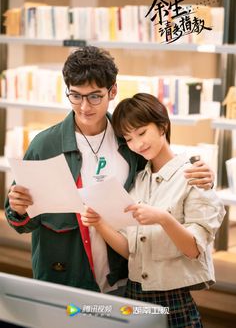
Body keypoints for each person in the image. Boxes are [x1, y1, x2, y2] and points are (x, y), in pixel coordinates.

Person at [5, 46, 214, 294]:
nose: (84, 107)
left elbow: (164, 176)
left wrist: (201, 174)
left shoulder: (129, 141)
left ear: (112, 90)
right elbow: (21, 222)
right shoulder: (45, 145)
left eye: (94, 96)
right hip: (64, 279)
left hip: (125, 279)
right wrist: (18, 209)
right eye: (75, 96)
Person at [81, 93, 225, 327]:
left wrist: (163, 219)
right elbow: (131, 252)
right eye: (128, 138)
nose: (137, 144)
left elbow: (194, 250)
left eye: (141, 132)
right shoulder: (137, 181)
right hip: (134, 294)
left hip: (172, 299)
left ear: (162, 126)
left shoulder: (194, 177)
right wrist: (99, 223)